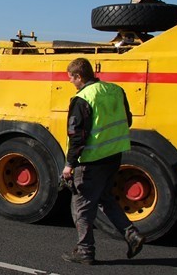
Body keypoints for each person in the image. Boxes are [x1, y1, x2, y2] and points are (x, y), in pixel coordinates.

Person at [61, 58, 145, 265]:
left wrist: (69, 164)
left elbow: (77, 136)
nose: (70, 81)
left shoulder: (82, 98)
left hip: (90, 160)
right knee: (105, 199)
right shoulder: (116, 90)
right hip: (113, 157)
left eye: (71, 78)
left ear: (79, 76)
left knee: (81, 206)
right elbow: (128, 119)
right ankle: (131, 234)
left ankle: (85, 251)